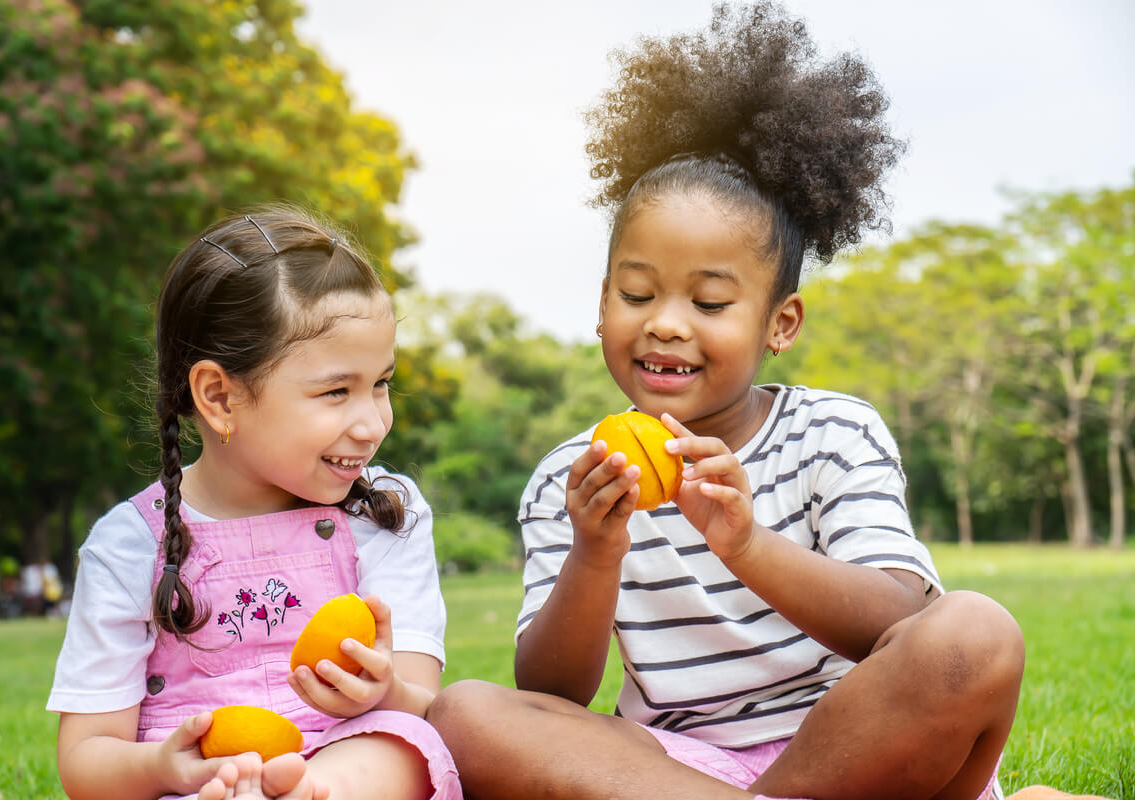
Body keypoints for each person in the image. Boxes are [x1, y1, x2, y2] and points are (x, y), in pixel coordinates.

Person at [425, 4, 1026, 800]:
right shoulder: (570, 477)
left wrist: (747, 545)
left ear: (780, 324)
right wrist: (594, 552)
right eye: (637, 293)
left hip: (864, 752)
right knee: (463, 712)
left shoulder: (833, 434)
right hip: (679, 773)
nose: (666, 324)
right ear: (603, 302)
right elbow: (554, 694)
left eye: (710, 304)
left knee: (976, 631)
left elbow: (896, 615)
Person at [47, 205, 460, 800]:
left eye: (381, 383)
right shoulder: (130, 545)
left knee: (395, 747)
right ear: (219, 397)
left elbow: (422, 708)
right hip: (203, 785)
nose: (373, 422)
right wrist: (164, 767)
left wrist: (384, 691)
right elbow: (86, 759)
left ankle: (309, 793)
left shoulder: (383, 514)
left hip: (348, 771)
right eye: (337, 391)